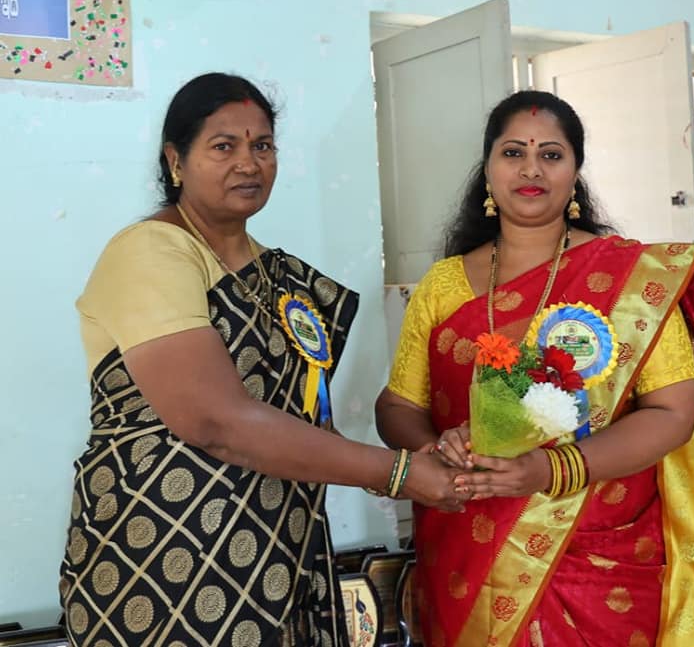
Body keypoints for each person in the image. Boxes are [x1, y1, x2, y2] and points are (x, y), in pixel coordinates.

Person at [59, 73, 467, 647]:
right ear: (176, 160)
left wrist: (433, 455)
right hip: (164, 559)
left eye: (262, 145)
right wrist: (398, 473)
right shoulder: (151, 252)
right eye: (223, 146)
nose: (248, 163)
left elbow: (301, 418)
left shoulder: (280, 277)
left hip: (281, 549)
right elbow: (214, 422)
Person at [375, 90, 694, 647]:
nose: (531, 168)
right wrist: (437, 448)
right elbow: (398, 407)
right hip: (468, 551)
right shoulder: (443, 285)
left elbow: (674, 411)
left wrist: (555, 470)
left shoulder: (629, 280)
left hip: (600, 558)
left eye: (551, 155)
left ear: (575, 171)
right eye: (513, 153)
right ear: (487, 170)